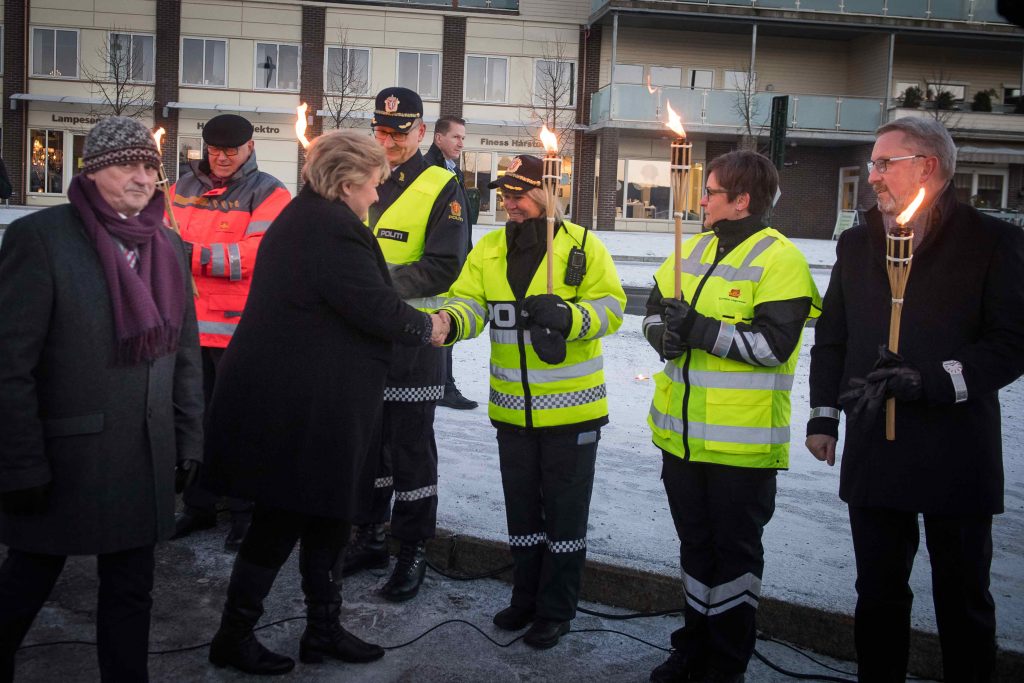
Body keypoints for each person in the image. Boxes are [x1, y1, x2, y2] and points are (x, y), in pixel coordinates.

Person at [199, 130, 449, 676]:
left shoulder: (314, 217)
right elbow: (375, 306)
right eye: (374, 184)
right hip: (298, 403)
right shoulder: (329, 227)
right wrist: (428, 327)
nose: (377, 195)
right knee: (282, 517)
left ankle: (323, 628)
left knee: (327, 515)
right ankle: (234, 634)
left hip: (318, 396)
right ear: (347, 181)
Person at [806, 117, 1024, 682]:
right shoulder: (858, 243)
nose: (872, 176)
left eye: (884, 164)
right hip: (876, 443)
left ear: (927, 167)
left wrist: (933, 379)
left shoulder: (992, 242)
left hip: (956, 448)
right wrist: (824, 416)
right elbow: (832, 337)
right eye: (873, 164)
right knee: (877, 590)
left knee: (963, 595)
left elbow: (1011, 343)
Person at [0, 116, 204, 681]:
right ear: (90, 172)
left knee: (132, 591)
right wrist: (18, 462)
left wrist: (188, 439)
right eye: (127, 165)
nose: (142, 178)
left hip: (144, 453)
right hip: (64, 457)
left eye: (150, 167)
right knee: (28, 580)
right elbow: (9, 366)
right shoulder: (40, 239)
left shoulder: (167, 244)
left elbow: (183, 353)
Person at [644, 150, 820, 683]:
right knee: (695, 551)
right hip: (681, 440)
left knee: (735, 560)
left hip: (742, 448)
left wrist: (697, 330)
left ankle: (726, 662)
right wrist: (665, 336)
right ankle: (691, 647)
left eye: (711, 192)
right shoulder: (690, 248)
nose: (701, 200)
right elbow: (654, 312)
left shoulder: (781, 258)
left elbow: (773, 346)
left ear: (742, 201)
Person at [438, 154, 626, 649]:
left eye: (519, 194)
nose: (510, 203)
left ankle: (557, 608)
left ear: (546, 194)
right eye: (504, 194)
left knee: (564, 516)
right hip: (511, 411)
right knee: (521, 512)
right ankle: (525, 596)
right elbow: (470, 302)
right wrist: (451, 323)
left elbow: (612, 309)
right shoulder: (491, 249)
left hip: (573, 411)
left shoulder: (582, 246)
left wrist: (570, 317)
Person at [338, 87, 468, 603]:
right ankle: (368, 535)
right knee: (368, 449)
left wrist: (375, 285)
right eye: (382, 130)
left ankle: (411, 547)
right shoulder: (356, 175)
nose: (389, 140)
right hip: (362, 341)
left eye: (400, 131)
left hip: (414, 341)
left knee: (411, 450)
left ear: (421, 133)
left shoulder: (443, 185)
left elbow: (444, 265)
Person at [169, 113, 291, 552]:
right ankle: (198, 506)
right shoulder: (181, 187)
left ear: (250, 146)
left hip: (240, 332)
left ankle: (246, 512)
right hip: (186, 330)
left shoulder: (270, 192)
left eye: (231, 150)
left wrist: (192, 255)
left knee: (242, 423)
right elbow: (160, 237)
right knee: (193, 421)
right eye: (215, 150)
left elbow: (257, 255)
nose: (221, 158)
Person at [424, 115, 479, 411]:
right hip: (437, 260)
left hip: (453, 259)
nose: (460, 143)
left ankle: (444, 383)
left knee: (445, 321)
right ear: (438, 138)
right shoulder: (430, 170)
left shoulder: (451, 169)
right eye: (456, 137)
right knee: (439, 322)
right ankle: (442, 385)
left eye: (463, 138)